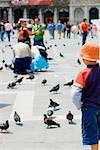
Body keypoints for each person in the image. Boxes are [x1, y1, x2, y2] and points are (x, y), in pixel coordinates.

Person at [71, 43, 100, 150]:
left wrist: (80, 105)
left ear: (85, 59)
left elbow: (75, 94)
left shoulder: (83, 73)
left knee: (92, 134)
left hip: (89, 108)